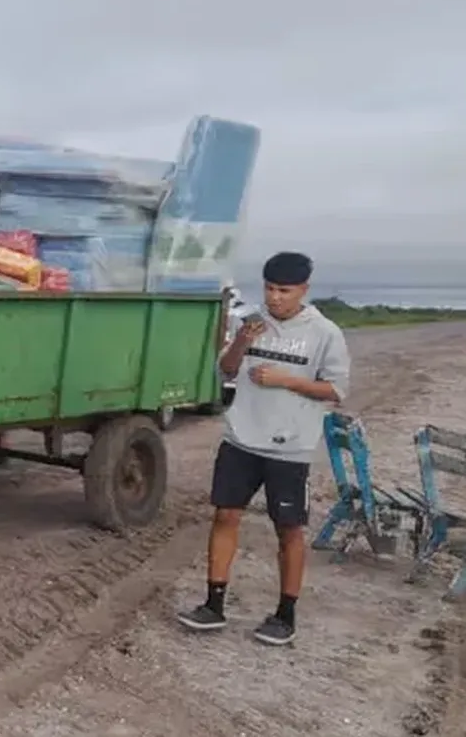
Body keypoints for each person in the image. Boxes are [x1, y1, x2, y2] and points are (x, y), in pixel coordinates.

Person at [177, 252, 351, 646]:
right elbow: (227, 369)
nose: (274, 298)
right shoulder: (252, 321)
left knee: (288, 529)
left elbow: (336, 390)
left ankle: (284, 614)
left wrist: (286, 380)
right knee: (225, 516)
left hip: (289, 448)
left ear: (303, 290)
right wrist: (241, 340)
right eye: (269, 289)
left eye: (283, 291)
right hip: (241, 439)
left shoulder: (325, 333)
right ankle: (213, 605)